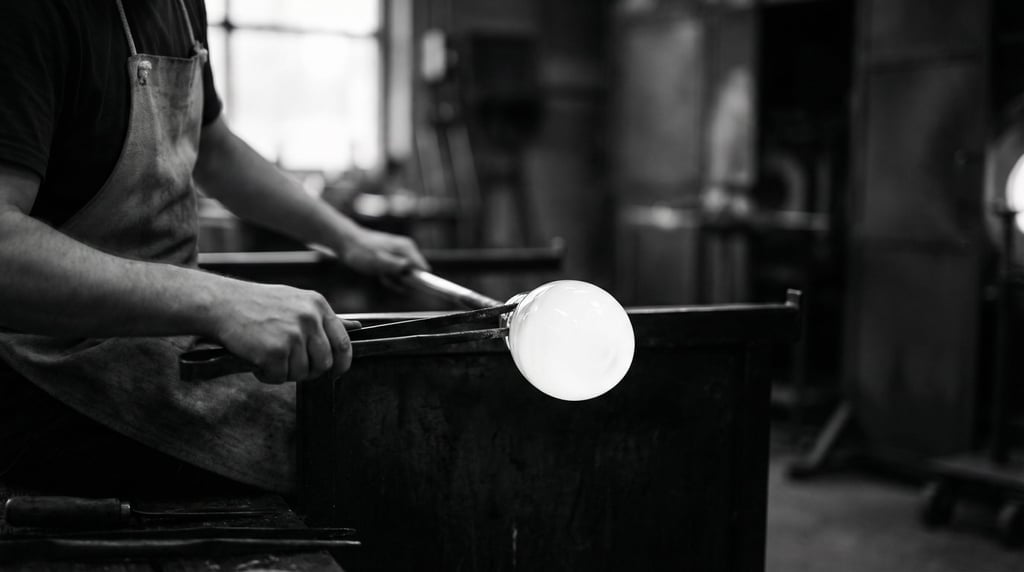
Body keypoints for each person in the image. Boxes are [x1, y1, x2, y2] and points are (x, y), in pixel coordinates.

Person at [0, 1, 428, 494]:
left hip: (166, 340)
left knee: (383, 418)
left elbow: (217, 150)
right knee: (361, 461)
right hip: (44, 370)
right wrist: (220, 301)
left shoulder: (181, 7)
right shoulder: (28, 16)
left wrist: (348, 237)